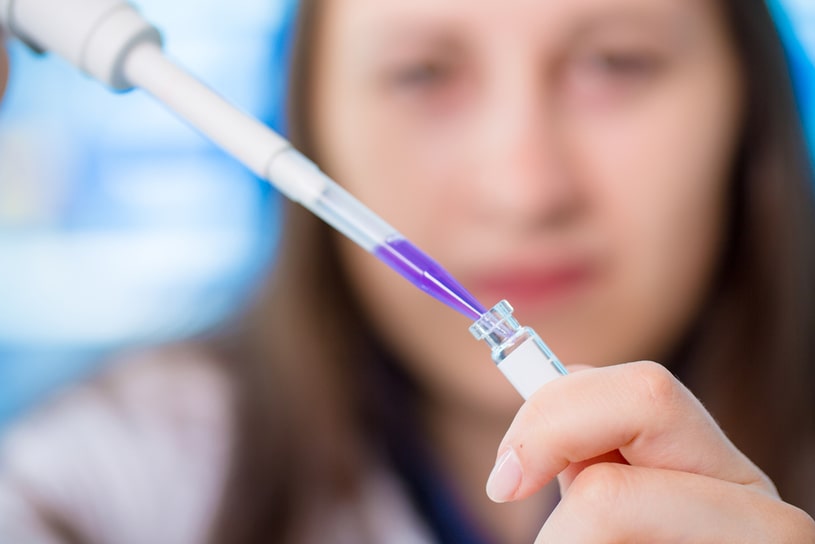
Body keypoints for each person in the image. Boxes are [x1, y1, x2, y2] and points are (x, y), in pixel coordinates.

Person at [1, 0, 815, 542]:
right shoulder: (101, 485)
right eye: (423, 73)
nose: (524, 189)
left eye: (616, 63)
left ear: (749, 106)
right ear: (311, 113)